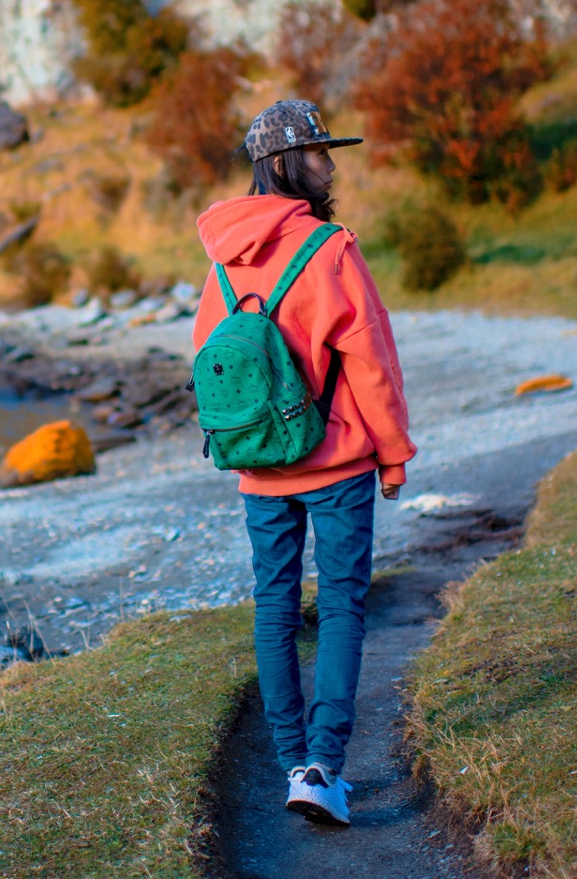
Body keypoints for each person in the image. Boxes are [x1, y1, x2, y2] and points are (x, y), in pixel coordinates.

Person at [191, 99, 416, 827]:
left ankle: (291, 760)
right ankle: (321, 768)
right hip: (338, 458)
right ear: (289, 162)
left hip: (258, 465)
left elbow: (209, 361)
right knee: (344, 604)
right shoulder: (330, 249)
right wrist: (393, 454)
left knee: (275, 607)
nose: (330, 162)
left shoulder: (222, 257)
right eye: (320, 150)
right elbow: (371, 363)